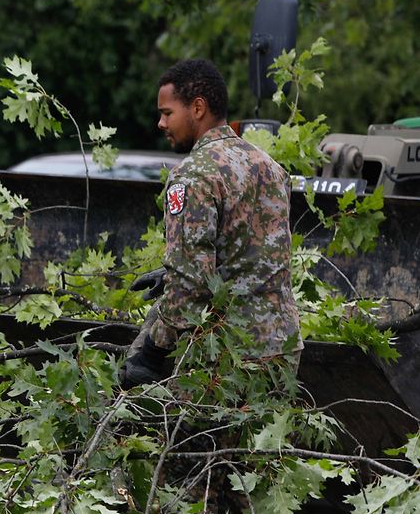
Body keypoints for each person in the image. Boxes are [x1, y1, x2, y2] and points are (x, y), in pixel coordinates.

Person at [120, 58, 300, 388]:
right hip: (281, 351)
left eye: (167, 112)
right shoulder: (270, 167)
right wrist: (170, 273)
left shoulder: (192, 175)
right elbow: (251, 252)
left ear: (198, 108)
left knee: (178, 437)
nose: (160, 123)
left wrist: (152, 351)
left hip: (224, 354)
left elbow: (191, 282)